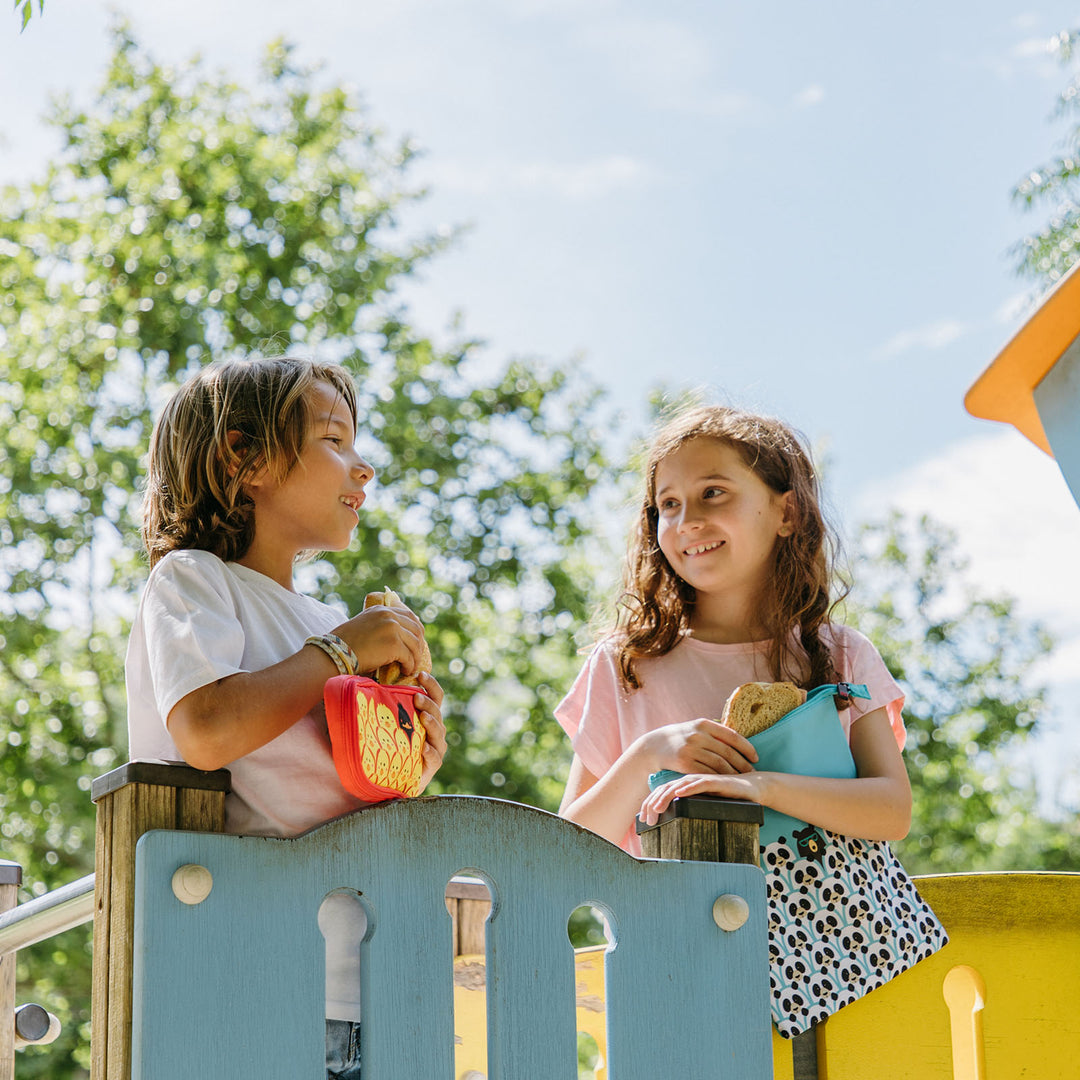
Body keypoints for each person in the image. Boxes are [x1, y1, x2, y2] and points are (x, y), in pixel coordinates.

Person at [556, 403, 946, 1036]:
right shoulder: (622, 667)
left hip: (842, 977)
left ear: (787, 512)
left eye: (714, 493)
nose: (688, 521)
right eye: (669, 505)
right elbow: (567, 853)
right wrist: (650, 754)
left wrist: (758, 789)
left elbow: (891, 810)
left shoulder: (841, 653)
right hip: (674, 986)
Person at [125, 356, 447, 1079]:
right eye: (335, 441)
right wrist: (338, 652)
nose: (363, 469)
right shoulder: (193, 580)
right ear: (244, 456)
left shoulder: (331, 620)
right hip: (259, 980)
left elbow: (361, 783)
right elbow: (206, 730)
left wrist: (414, 739)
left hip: (377, 985)